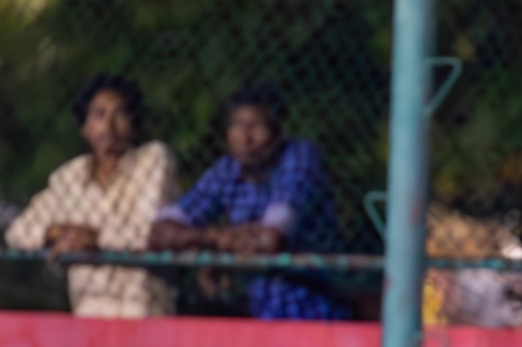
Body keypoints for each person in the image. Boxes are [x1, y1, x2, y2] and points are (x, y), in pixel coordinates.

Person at [148, 83, 348, 320]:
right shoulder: (227, 170)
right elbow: (159, 234)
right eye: (237, 126)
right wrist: (215, 238)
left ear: (279, 130)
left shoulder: (300, 157)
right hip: (259, 315)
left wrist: (219, 248)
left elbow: (270, 240)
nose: (245, 138)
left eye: (256, 126)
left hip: (314, 314)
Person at [4, 73, 177, 317]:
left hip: (143, 312)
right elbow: (19, 231)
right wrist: (56, 232)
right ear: (85, 127)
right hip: (89, 316)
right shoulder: (70, 176)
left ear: (134, 122)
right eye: (99, 115)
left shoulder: (153, 160)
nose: (108, 126)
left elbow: (147, 232)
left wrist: (94, 238)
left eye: (119, 114)